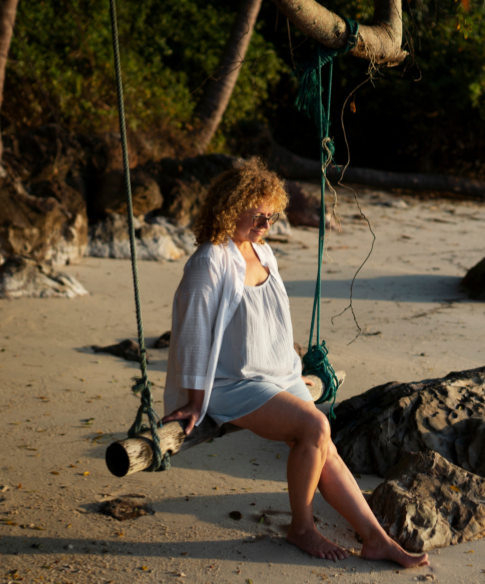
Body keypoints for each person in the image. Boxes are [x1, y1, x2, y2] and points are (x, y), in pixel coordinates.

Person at [159, 158, 427, 568]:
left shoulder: (264, 253)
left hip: (277, 372)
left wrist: (292, 369)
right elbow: (192, 334)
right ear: (231, 207)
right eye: (259, 215)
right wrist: (196, 399)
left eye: (272, 215)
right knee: (315, 427)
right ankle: (301, 528)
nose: (267, 224)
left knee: (325, 449)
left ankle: (375, 538)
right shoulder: (209, 261)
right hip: (234, 381)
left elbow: (272, 320)